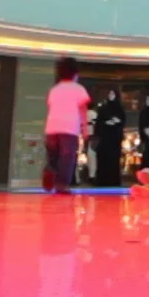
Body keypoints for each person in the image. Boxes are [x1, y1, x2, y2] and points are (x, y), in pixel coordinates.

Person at [42, 57, 89, 195]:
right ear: (75, 73)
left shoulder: (54, 89)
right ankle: (62, 185)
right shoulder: (79, 89)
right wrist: (84, 128)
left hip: (52, 128)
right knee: (66, 158)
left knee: (53, 157)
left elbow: (50, 106)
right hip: (69, 128)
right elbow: (83, 109)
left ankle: (49, 171)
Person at [91, 89, 126, 186]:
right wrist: (106, 123)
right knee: (104, 160)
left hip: (114, 139)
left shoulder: (119, 108)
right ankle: (102, 181)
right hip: (105, 139)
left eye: (112, 93)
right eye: (109, 93)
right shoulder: (103, 108)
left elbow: (122, 122)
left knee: (114, 160)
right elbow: (98, 123)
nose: (111, 95)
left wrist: (117, 121)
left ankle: (113, 181)